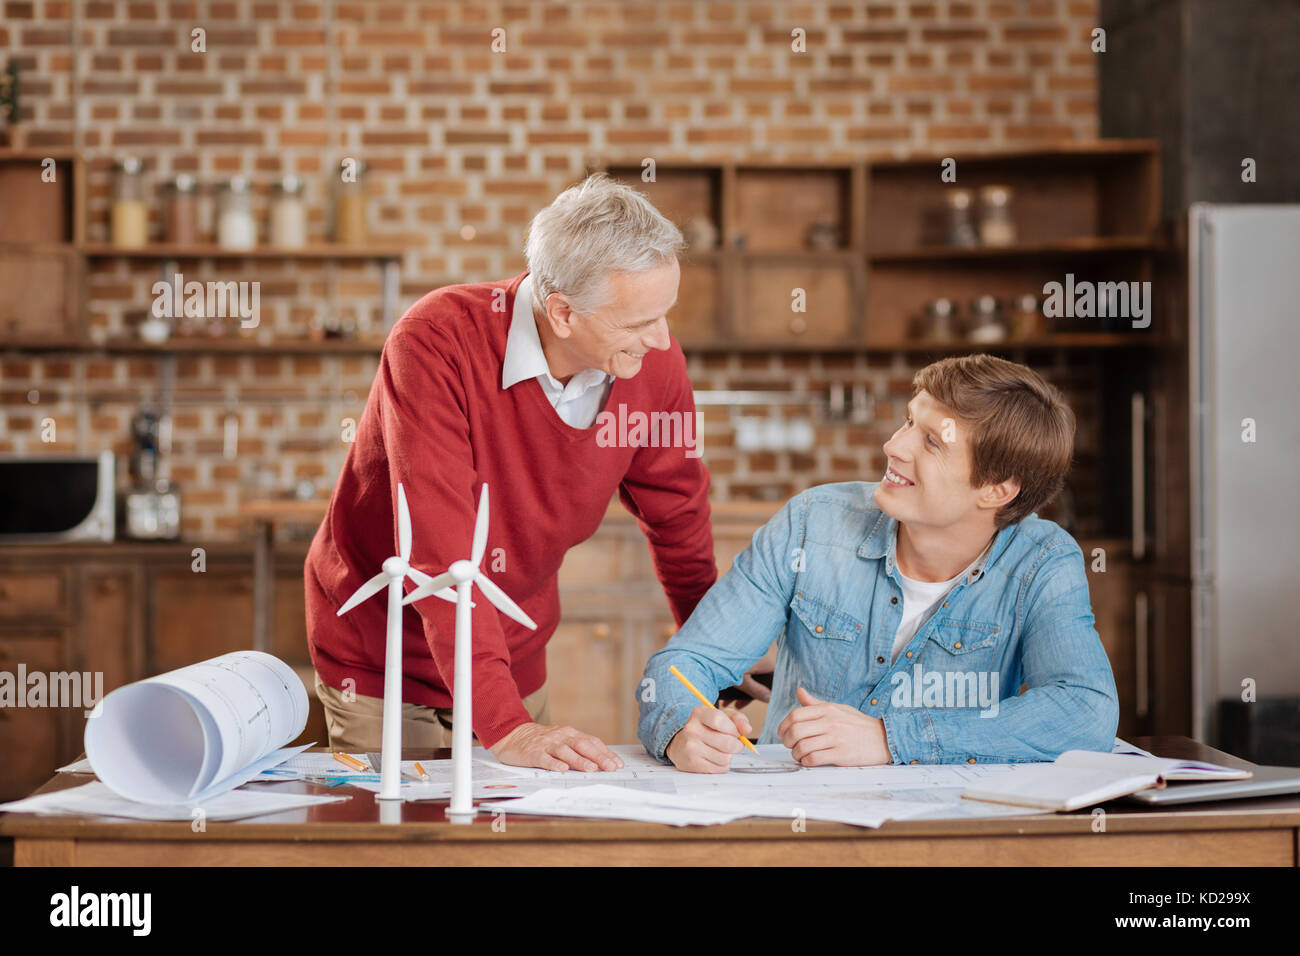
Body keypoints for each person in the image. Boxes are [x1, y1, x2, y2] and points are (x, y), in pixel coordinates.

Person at [307, 173, 718, 772]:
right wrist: (506, 727)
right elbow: (441, 550)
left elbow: (678, 517)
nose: (661, 341)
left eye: (666, 316)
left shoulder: (652, 364)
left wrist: (718, 658)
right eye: (637, 324)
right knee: (404, 842)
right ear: (563, 312)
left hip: (511, 655)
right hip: (384, 659)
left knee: (508, 841)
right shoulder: (436, 341)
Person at [639, 353, 1119, 771]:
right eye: (910, 421)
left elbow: (1084, 712)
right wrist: (682, 726)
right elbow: (684, 664)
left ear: (997, 489)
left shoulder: (1042, 563)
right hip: (795, 821)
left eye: (932, 441)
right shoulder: (811, 525)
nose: (894, 446)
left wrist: (890, 739)